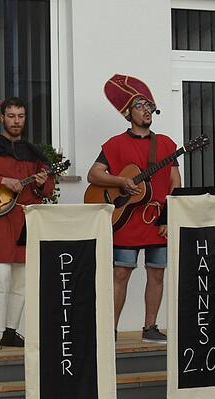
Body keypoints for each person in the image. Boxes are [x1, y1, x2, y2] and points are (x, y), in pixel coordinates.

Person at [87, 74, 181, 343]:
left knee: (157, 272)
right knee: (121, 273)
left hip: (156, 219)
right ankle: (110, 330)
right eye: (140, 106)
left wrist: (168, 216)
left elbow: (175, 180)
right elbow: (94, 175)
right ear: (128, 112)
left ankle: (149, 327)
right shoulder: (115, 144)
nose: (146, 110)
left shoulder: (165, 143)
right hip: (126, 221)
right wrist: (120, 181)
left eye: (148, 105)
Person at [0, 97, 54, 352]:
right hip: (1, 219)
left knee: (22, 280)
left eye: (21, 116)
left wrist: (39, 182)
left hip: (26, 219)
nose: (16, 121)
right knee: (0, 276)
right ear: (1, 118)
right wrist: (3, 181)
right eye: (11, 116)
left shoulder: (35, 153)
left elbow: (47, 188)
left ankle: (11, 332)